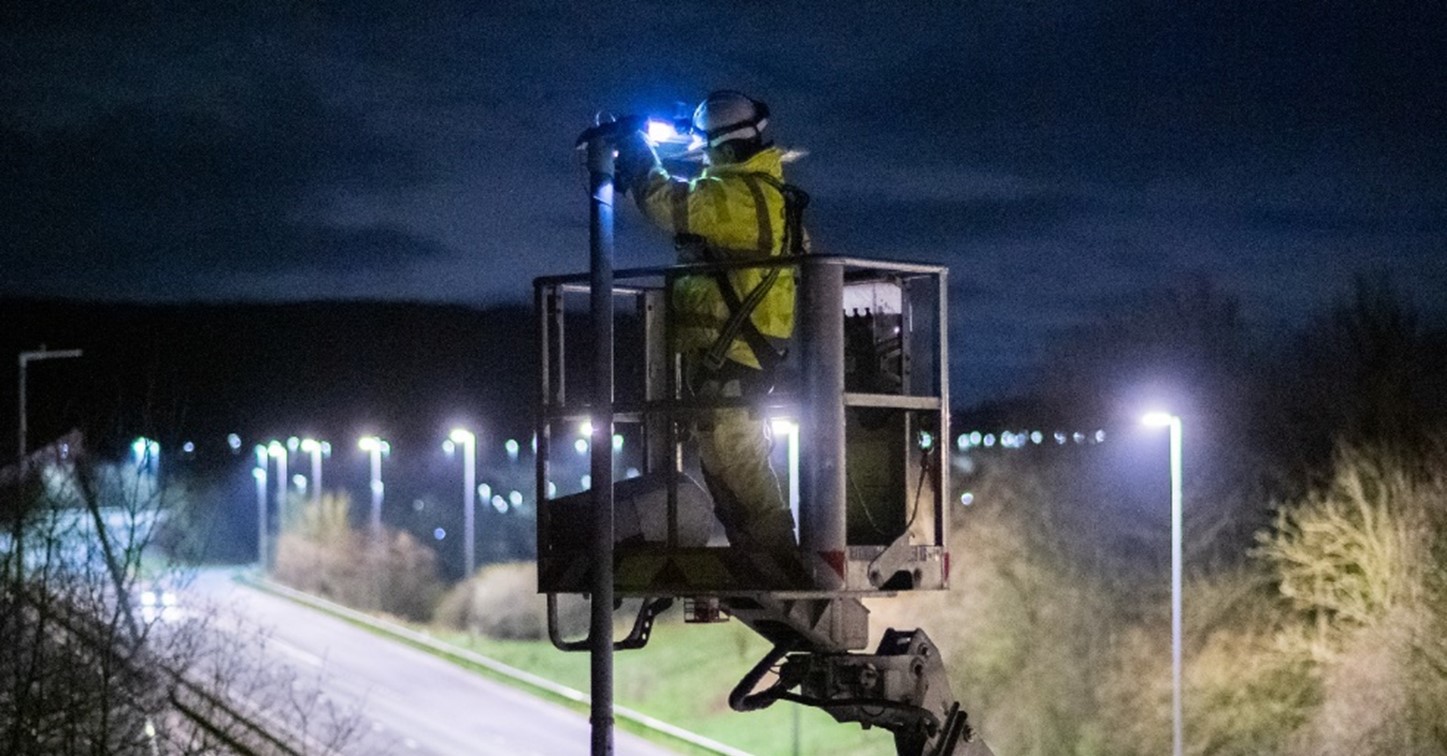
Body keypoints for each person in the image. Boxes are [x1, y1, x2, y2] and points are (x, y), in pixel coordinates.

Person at [614, 90, 802, 560]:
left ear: (723, 147)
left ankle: (779, 564)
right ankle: (758, 557)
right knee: (725, 461)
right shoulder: (750, 192)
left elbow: (668, 202)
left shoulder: (743, 197)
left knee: (736, 459)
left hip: (737, 350)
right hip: (732, 351)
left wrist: (639, 153)